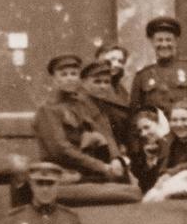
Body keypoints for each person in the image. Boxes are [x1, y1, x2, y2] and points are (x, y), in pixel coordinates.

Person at [34, 54, 125, 182]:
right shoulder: (48, 110)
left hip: (86, 171)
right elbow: (61, 150)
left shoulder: (81, 104)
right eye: (64, 75)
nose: (69, 78)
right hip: (60, 174)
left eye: (73, 74)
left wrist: (115, 158)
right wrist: (101, 166)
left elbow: (103, 131)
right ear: (54, 78)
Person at [129, 16, 187, 118]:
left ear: (176, 41)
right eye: (159, 40)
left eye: (168, 40)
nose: (164, 44)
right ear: (152, 42)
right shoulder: (142, 76)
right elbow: (134, 115)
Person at [81, 59, 134, 153]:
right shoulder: (79, 106)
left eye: (106, 82)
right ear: (83, 82)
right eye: (97, 82)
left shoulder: (104, 105)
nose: (103, 86)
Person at [128, 109, 165, 194]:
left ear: (159, 125)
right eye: (140, 130)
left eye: (147, 127)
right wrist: (148, 161)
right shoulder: (140, 155)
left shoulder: (171, 148)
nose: (143, 134)